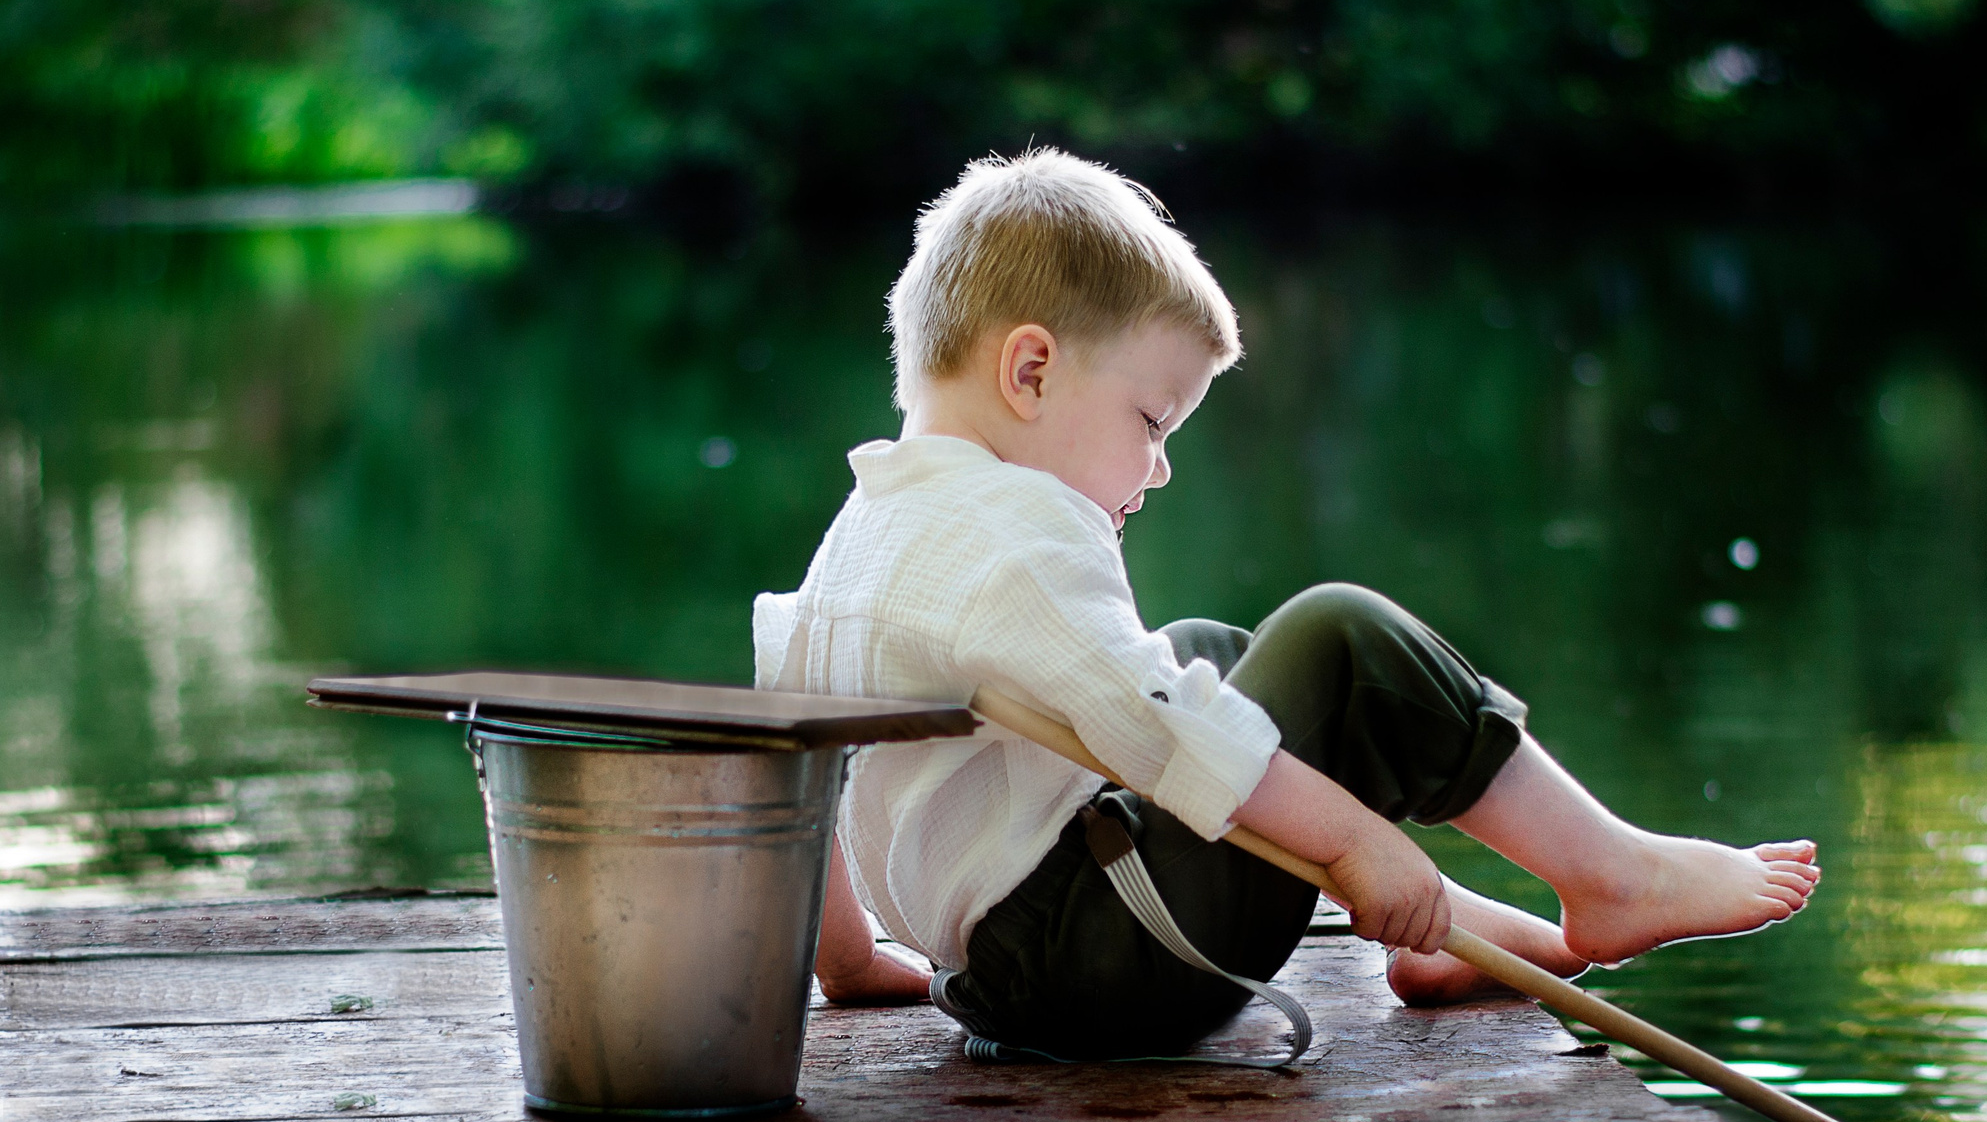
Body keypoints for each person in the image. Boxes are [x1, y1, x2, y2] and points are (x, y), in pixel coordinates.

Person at [754, 148, 1818, 1060]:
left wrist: (850, 968)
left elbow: (798, 783)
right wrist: (1361, 845)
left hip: (1000, 979)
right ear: (1030, 371)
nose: (1159, 468)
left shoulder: (860, 540)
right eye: (1151, 420)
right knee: (1336, 638)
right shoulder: (1015, 538)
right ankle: (1610, 874)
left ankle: (1445, 933)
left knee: (1207, 652)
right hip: (1108, 968)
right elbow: (1169, 733)